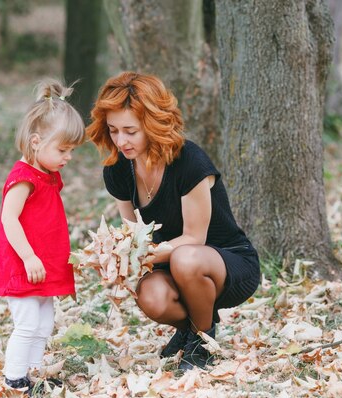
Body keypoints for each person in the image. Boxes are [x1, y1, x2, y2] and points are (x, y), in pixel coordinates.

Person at [86, 72, 261, 371]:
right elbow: (135, 235)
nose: (121, 140)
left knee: (186, 258)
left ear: (152, 124)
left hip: (226, 262)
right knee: (151, 298)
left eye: (130, 130)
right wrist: (118, 254)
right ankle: (193, 326)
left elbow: (195, 238)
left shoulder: (189, 160)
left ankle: (203, 341)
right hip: (171, 265)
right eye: (114, 130)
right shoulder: (117, 168)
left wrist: (139, 253)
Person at [0, 79, 85, 392]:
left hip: (42, 263)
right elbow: (9, 219)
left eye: (71, 150)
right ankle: (15, 380)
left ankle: (33, 374)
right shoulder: (22, 178)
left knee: (44, 323)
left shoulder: (48, 175)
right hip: (23, 264)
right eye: (62, 149)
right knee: (28, 322)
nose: (68, 157)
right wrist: (28, 256)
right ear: (35, 141)